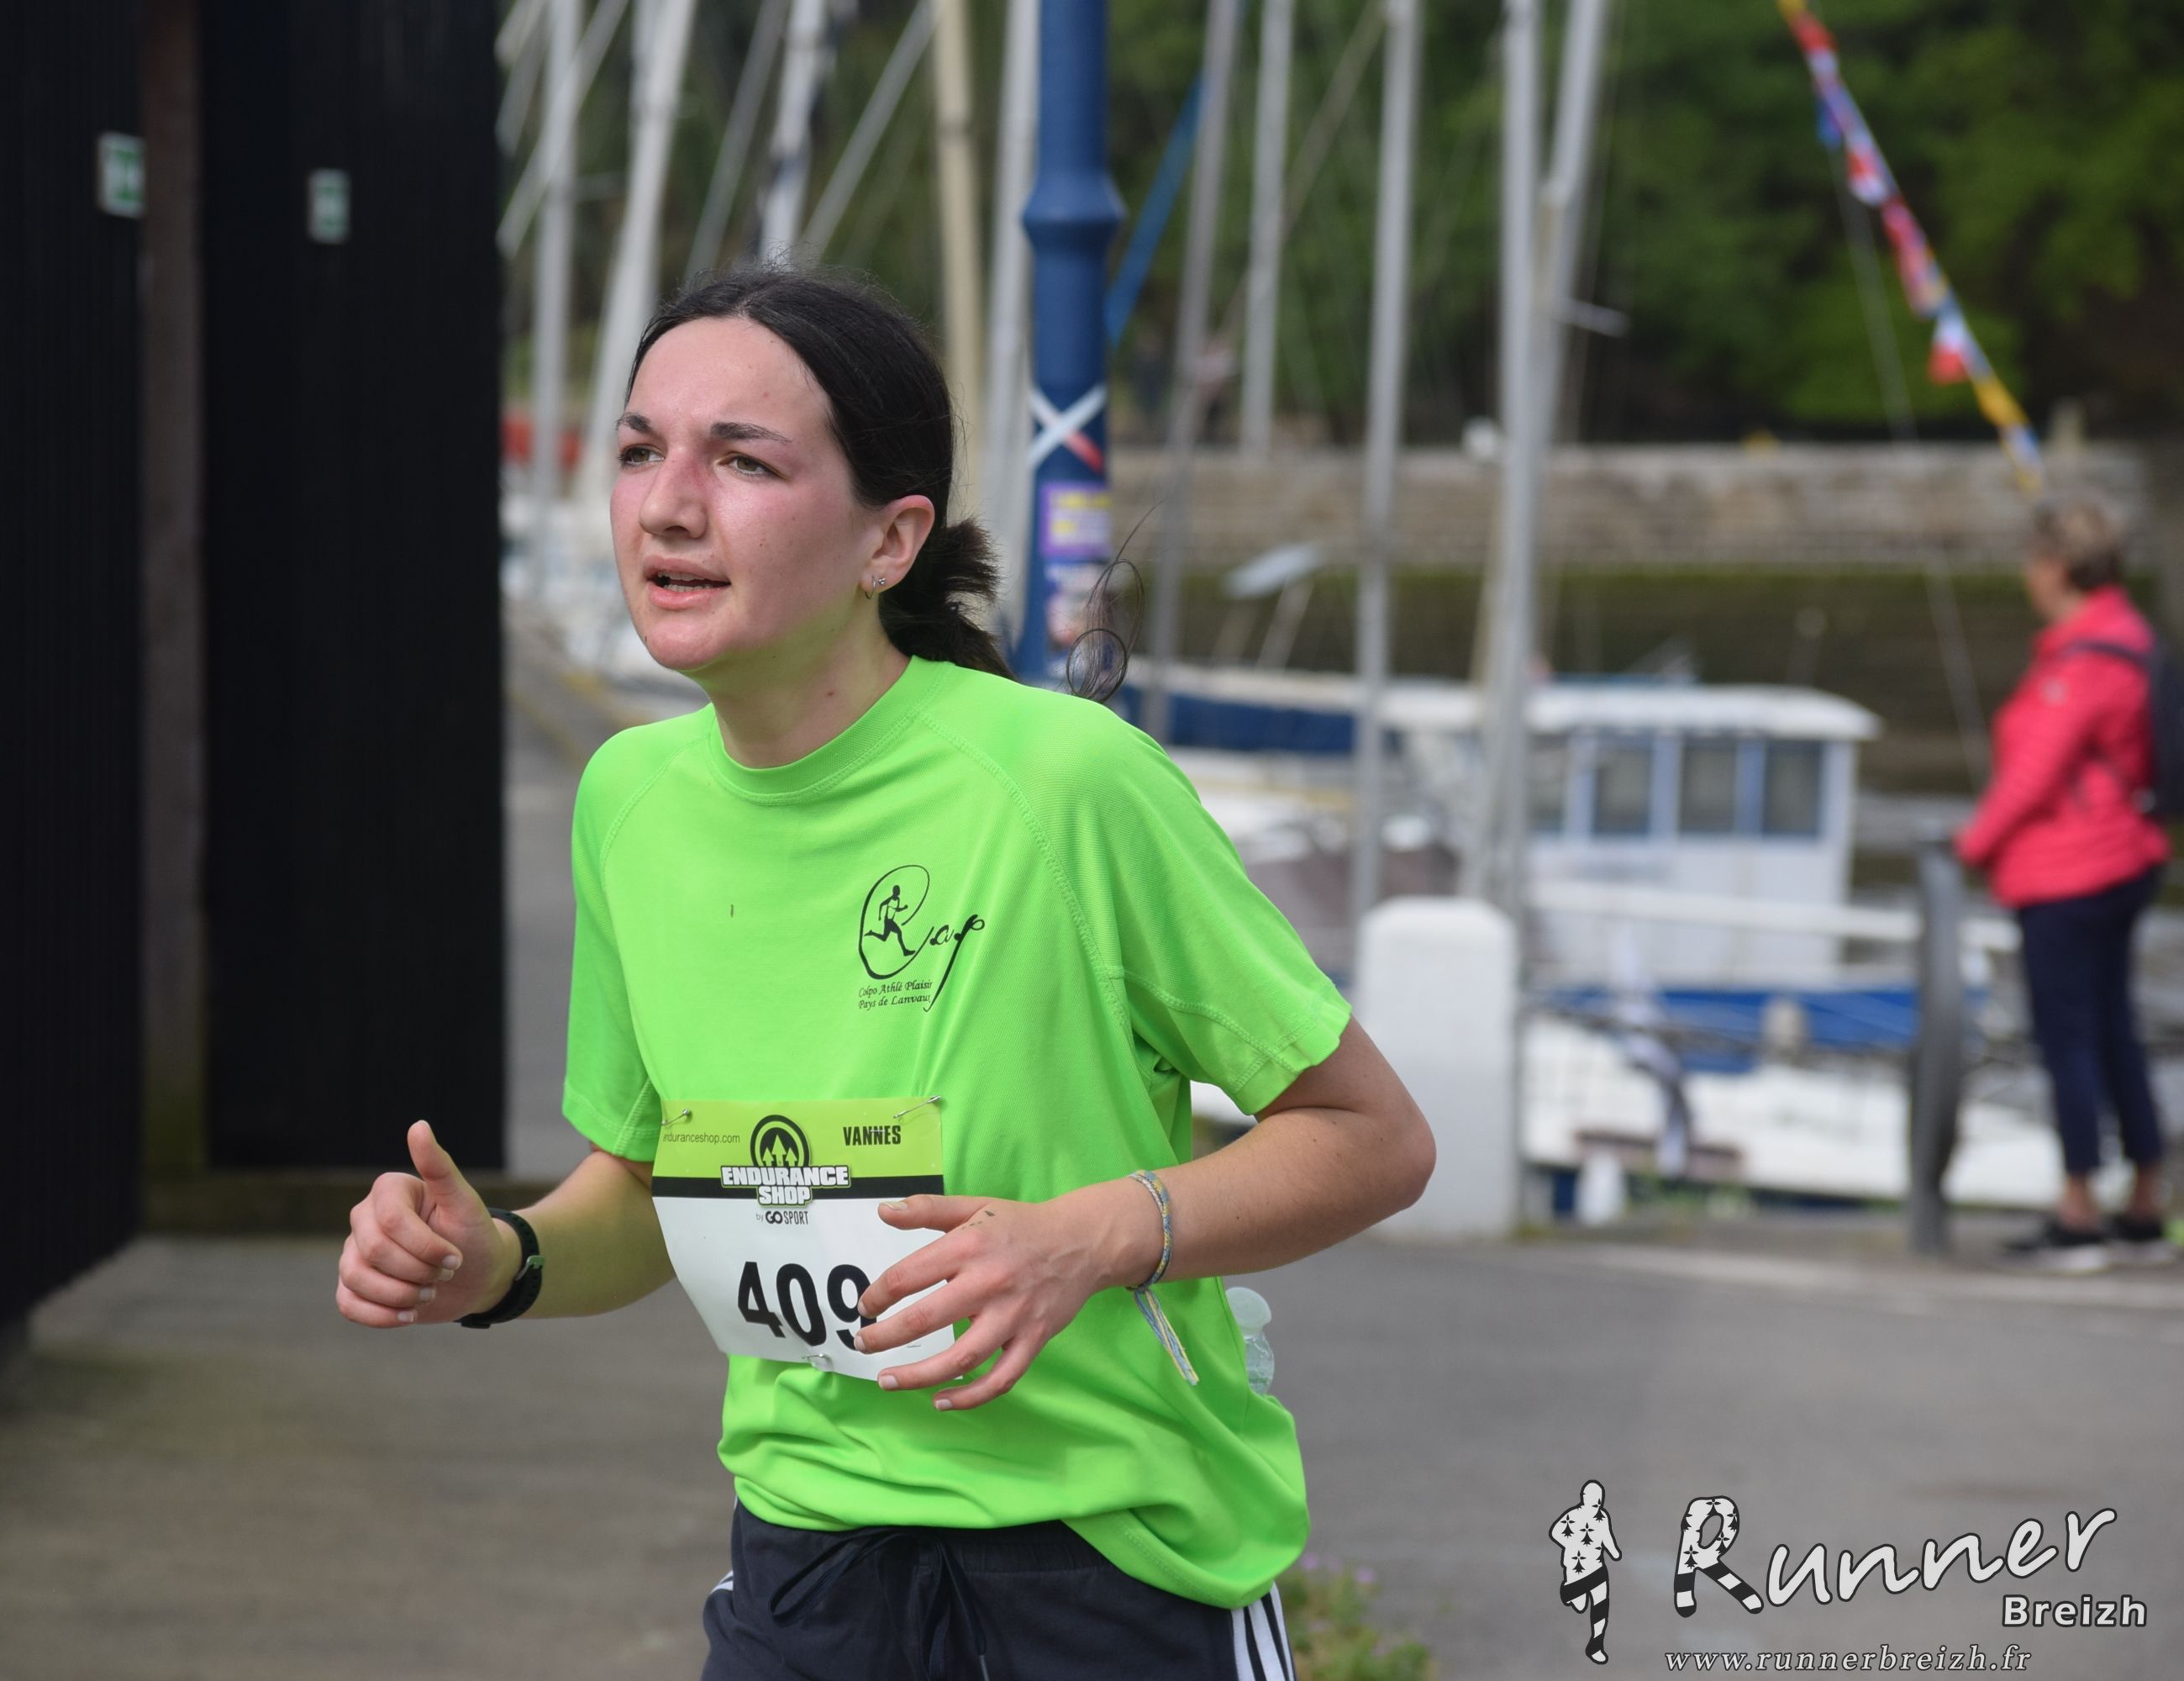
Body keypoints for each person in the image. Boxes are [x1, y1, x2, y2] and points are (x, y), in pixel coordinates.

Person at [338, 268, 1435, 1680]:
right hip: (805, 1569)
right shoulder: (628, 800)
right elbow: (658, 1184)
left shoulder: (1064, 783)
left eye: (743, 462)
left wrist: (1094, 1235)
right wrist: (499, 1260)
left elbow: (1371, 1138)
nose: (669, 505)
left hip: (1112, 1566)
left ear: (890, 539)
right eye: (639, 451)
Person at [1956, 494, 2174, 1272]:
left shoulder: (2082, 661)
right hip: (2124, 858)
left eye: (2031, 561)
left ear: (2055, 567)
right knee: (2114, 1028)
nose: (2027, 576)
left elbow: (2031, 775)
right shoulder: (2129, 637)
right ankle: (2144, 1201)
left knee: (2068, 1037)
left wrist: (1970, 846)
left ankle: (2078, 1210)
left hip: (2071, 871)